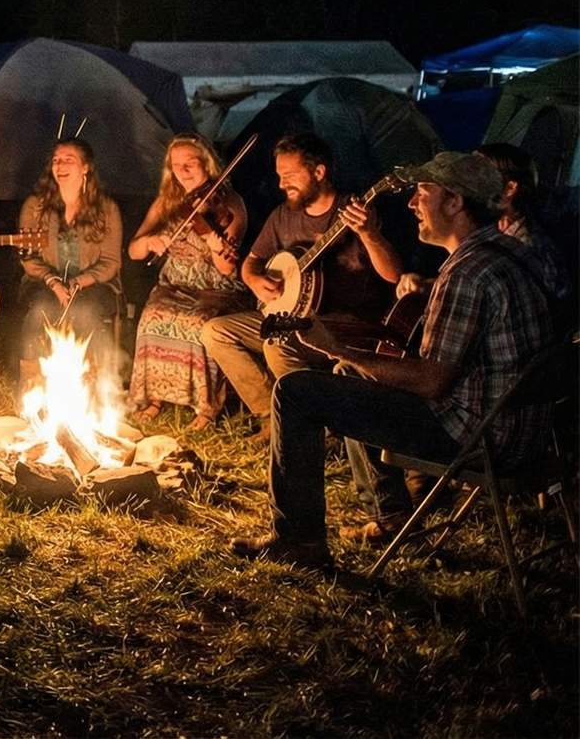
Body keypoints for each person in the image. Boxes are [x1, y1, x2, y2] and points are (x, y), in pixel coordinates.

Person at [229, 151, 555, 568]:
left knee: (295, 390)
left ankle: (299, 541)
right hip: (528, 432)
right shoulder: (509, 252)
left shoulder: (468, 273)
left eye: (423, 193)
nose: (412, 204)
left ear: (455, 203)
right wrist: (355, 361)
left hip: (479, 439)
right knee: (350, 375)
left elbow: (431, 382)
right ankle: (391, 516)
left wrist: (337, 346)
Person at [202, 133, 403, 421]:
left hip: (341, 322)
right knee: (216, 331)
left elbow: (393, 275)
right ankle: (270, 414)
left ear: (319, 172)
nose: (282, 184)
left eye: (290, 175)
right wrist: (256, 281)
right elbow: (251, 264)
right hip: (289, 314)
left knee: (277, 343)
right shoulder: (282, 216)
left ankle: (308, 424)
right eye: (279, 176)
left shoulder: (356, 211)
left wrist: (369, 235)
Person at [126, 135, 250, 430]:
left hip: (215, 287)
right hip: (175, 283)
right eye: (175, 165)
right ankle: (154, 397)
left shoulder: (230, 203)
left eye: (190, 164)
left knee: (197, 321)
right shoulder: (167, 202)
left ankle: (206, 408)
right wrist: (150, 241)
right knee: (152, 317)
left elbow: (226, 267)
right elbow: (133, 250)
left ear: (206, 163)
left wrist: (212, 238)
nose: (182, 172)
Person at [396, 144, 568, 305]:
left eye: (482, 170)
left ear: (509, 189)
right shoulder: (494, 236)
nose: (468, 174)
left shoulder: (523, 246)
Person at [15, 137, 123, 378]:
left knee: (85, 311)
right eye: (56, 161)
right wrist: (53, 281)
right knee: (41, 309)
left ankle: (95, 380)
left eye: (68, 160)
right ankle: (31, 380)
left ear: (85, 167)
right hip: (44, 283)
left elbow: (110, 262)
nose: (60, 166)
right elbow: (28, 257)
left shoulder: (106, 209)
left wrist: (78, 283)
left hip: (94, 284)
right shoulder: (35, 206)